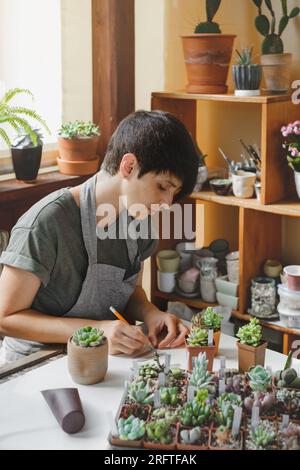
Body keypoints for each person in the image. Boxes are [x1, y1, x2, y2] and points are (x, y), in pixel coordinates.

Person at [0, 110, 199, 364]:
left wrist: (151, 313)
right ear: (128, 166)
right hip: (35, 363)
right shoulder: (47, 222)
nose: (167, 204)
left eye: (174, 194)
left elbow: (130, 290)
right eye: (162, 187)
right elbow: (5, 317)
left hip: (102, 361)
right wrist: (94, 331)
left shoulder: (139, 220)